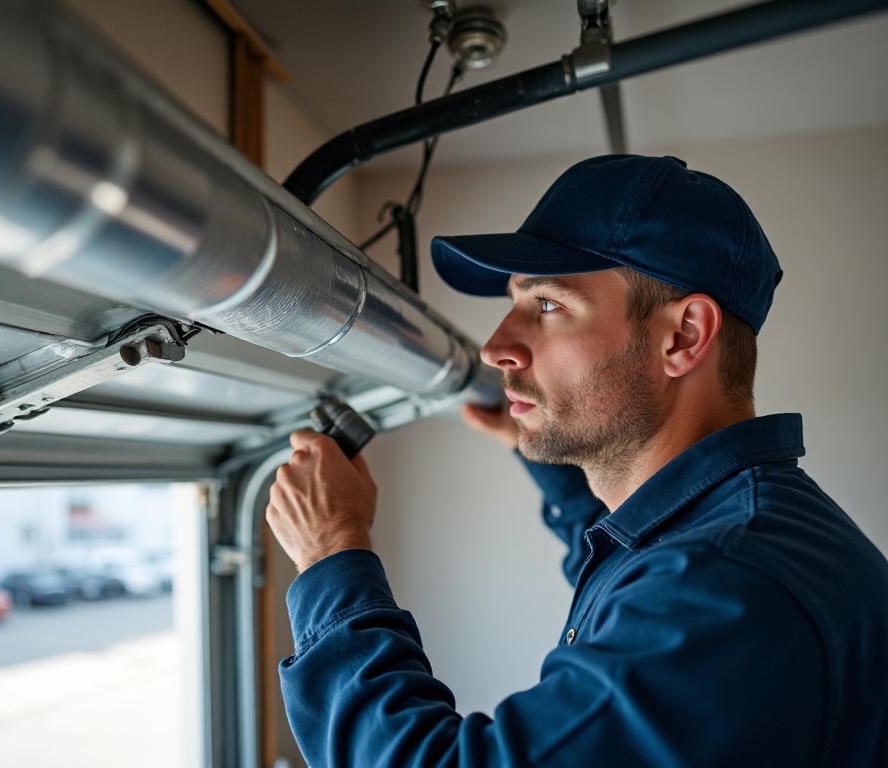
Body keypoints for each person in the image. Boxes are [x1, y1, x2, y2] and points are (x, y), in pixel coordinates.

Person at [265, 154, 888, 767]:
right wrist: (537, 446)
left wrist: (332, 552)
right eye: (514, 304)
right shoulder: (723, 533)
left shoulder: (724, 588)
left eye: (548, 305)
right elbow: (627, 554)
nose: (496, 346)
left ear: (684, 336)